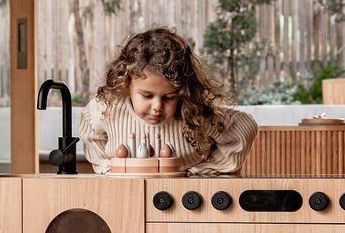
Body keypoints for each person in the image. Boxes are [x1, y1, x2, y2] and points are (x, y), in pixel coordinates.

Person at [79, 27, 258, 175]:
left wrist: (206, 169)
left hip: (184, 199)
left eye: (169, 97)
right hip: (128, 196)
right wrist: (106, 166)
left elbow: (243, 129)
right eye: (147, 96)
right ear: (126, 85)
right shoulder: (108, 108)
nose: (157, 107)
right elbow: (88, 125)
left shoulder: (194, 112)